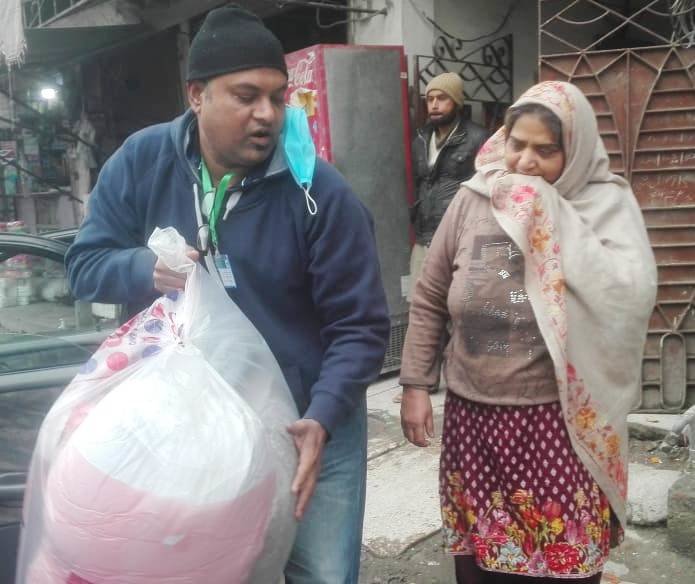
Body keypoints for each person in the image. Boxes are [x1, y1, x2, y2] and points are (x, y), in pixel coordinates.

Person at [65, 5, 390, 584]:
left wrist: (323, 417)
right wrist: (145, 269)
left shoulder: (319, 193)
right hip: (188, 425)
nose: (266, 114)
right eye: (245, 96)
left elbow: (360, 327)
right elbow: (84, 265)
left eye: (276, 97)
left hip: (308, 423)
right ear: (197, 95)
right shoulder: (143, 161)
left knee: (321, 573)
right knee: (206, 570)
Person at [399, 81, 656, 583]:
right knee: (483, 562)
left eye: (545, 150)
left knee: (563, 561)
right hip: (473, 417)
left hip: (559, 423)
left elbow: (627, 295)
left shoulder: (600, 206)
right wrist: (414, 384)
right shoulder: (475, 198)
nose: (525, 162)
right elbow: (430, 294)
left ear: (574, 152)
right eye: (517, 144)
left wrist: (548, 212)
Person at [409, 72, 488, 303]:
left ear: (456, 102)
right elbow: (419, 184)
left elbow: (487, 190)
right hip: (424, 237)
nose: (434, 105)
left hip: (460, 239)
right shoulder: (420, 139)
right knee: (420, 304)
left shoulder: (478, 138)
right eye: (430, 99)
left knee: (459, 304)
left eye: (442, 98)